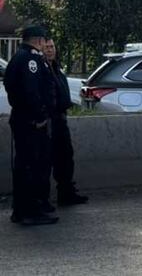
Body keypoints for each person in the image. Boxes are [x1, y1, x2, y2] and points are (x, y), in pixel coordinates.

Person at [3, 25, 58, 226]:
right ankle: (28, 211)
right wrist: (39, 116)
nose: (46, 45)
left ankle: (25, 209)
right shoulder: (30, 59)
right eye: (45, 41)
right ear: (38, 41)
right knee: (30, 166)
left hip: (24, 119)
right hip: (31, 122)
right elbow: (31, 91)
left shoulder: (21, 57)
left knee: (29, 164)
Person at [43, 39, 87, 206]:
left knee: (66, 158)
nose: (50, 50)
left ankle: (66, 192)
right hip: (50, 120)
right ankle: (44, 199)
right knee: (48, 160)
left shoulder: (56, 68)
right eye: (46, 47)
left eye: (52, 47)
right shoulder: (41, 69)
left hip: (61, 119)